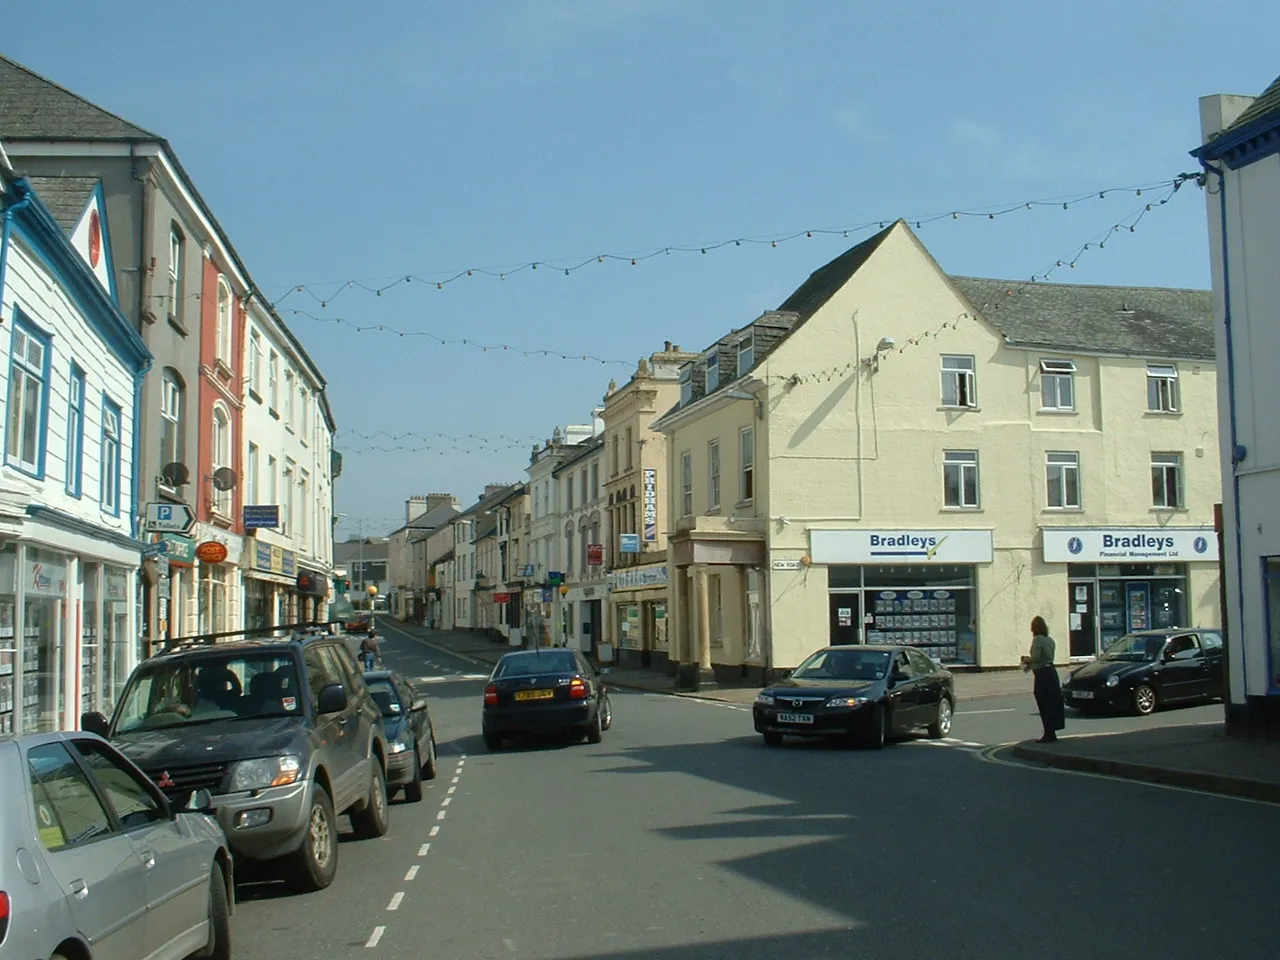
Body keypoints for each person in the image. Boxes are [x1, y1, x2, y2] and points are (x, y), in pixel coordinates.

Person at [1022, 615, 1064, 743]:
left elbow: (1035, 657)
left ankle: (1048, 733)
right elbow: (1046, 657)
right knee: (1053, 703)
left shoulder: (1037, 639)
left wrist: (1025, 660)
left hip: (1042, 675)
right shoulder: (1049, 639)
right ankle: (1052, 732)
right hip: (1051, 672)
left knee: (1044, 703)